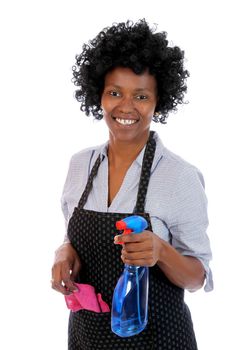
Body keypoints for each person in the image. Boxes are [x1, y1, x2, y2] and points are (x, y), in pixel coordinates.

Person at [51, 19, 213, 349]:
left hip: (160, 340)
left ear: (158, 101)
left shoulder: (179, 176)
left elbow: (198, 278)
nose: (125, 107)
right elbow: (72, 234)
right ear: (98, 95)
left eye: (140, 95)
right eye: (114, 93)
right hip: (87, 338)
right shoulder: (80, 165)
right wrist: (64, 251)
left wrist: (162, 251)